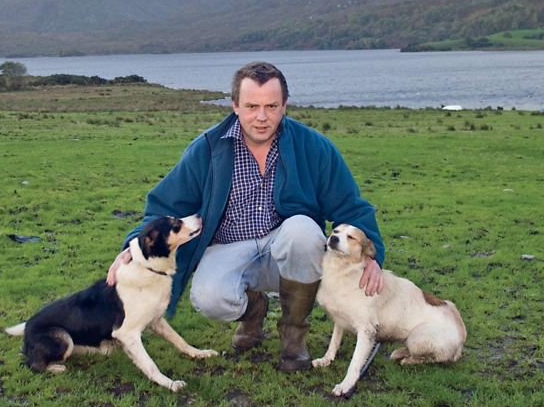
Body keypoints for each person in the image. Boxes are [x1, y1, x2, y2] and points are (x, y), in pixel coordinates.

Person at [107, 61, 385, 372]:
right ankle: (253, 311)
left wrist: (372, 253)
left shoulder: (314, 147)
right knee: (208, 296)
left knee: (304, 232)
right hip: (230, 250)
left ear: (285, 105)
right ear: (235, 105)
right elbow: (163, 205)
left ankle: (294, 336)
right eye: (252, 106)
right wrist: (133, 246)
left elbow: (351, 206)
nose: (262, 117)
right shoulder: (207, 150)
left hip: (288, 251)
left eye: (271, 106)